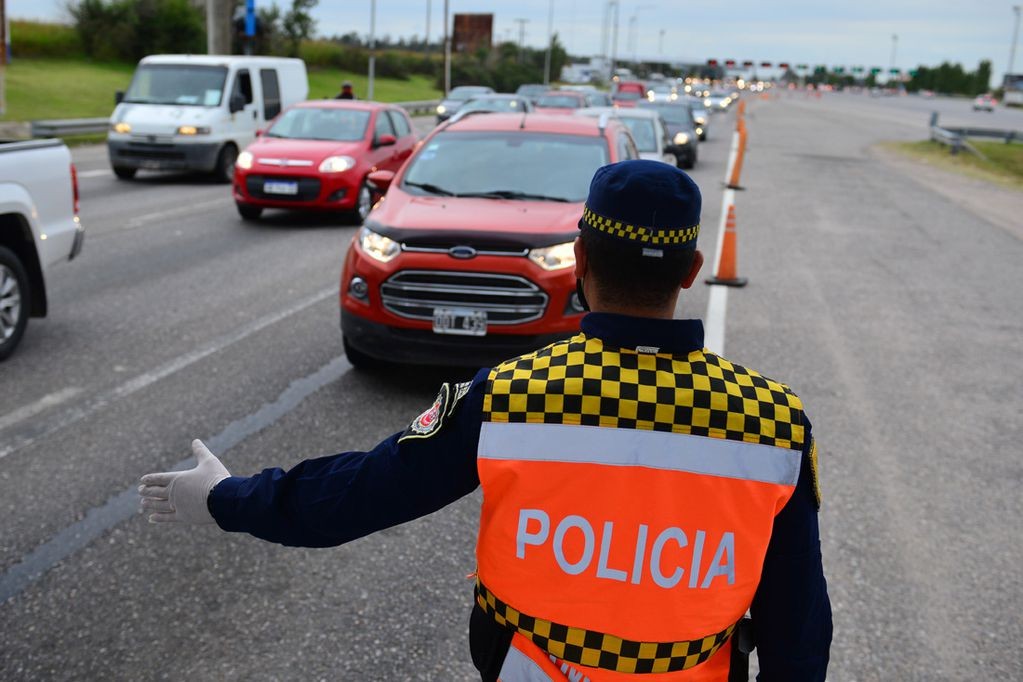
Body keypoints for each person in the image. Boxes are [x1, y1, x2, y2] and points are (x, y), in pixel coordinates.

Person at [139, 160, 832, 681]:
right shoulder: (774, 423)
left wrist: (225, 498)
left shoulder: (508, 396)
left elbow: (357, 495)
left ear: (580, 259)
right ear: (691, 270)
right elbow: (797, 624)